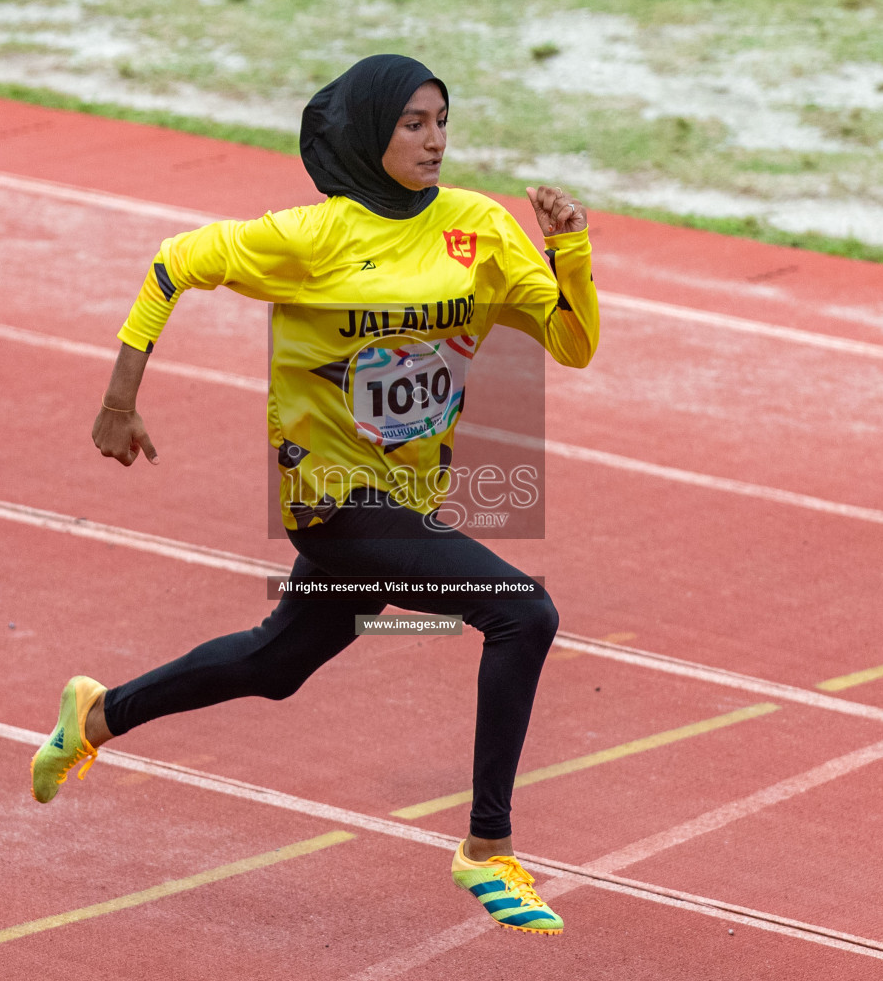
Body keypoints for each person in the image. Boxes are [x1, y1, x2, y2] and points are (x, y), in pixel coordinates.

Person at [31, 54, 598, 935]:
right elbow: (172, 263)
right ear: (372, 133)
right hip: (329, 495)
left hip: (407, 495)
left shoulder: (478, 229)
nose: (435, 139)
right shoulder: (310, 237)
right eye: (412, 123)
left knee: (275, 664)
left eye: (442, 120)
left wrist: (569, 249)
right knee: (524, 613)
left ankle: (94, 716)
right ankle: (488, 849)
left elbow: (571, 342)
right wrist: (118, 400)